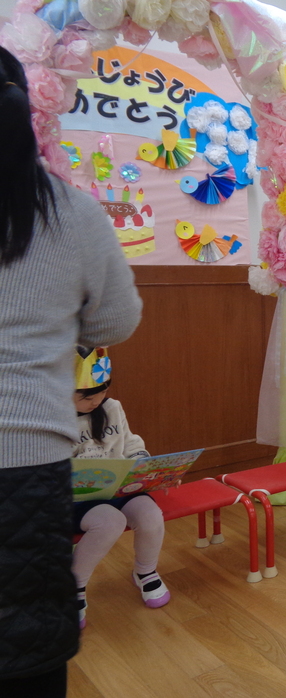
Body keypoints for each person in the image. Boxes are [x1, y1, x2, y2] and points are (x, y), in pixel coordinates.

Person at [0, 47, 142, 696]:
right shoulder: (70, 210)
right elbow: (117, 321)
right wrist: (59, 328)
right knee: (27, 642)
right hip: (31, 459)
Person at [71, 348, 170, 629]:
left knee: (150, 514)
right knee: (110, 522)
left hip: (120, 488)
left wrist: (148, 468)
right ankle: (74, 587)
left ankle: (145, 572)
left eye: (102, 392)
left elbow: (131, 444)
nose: (96, 401)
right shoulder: (53, 420)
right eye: (87, 397)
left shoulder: (112, 408)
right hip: (78, 499)